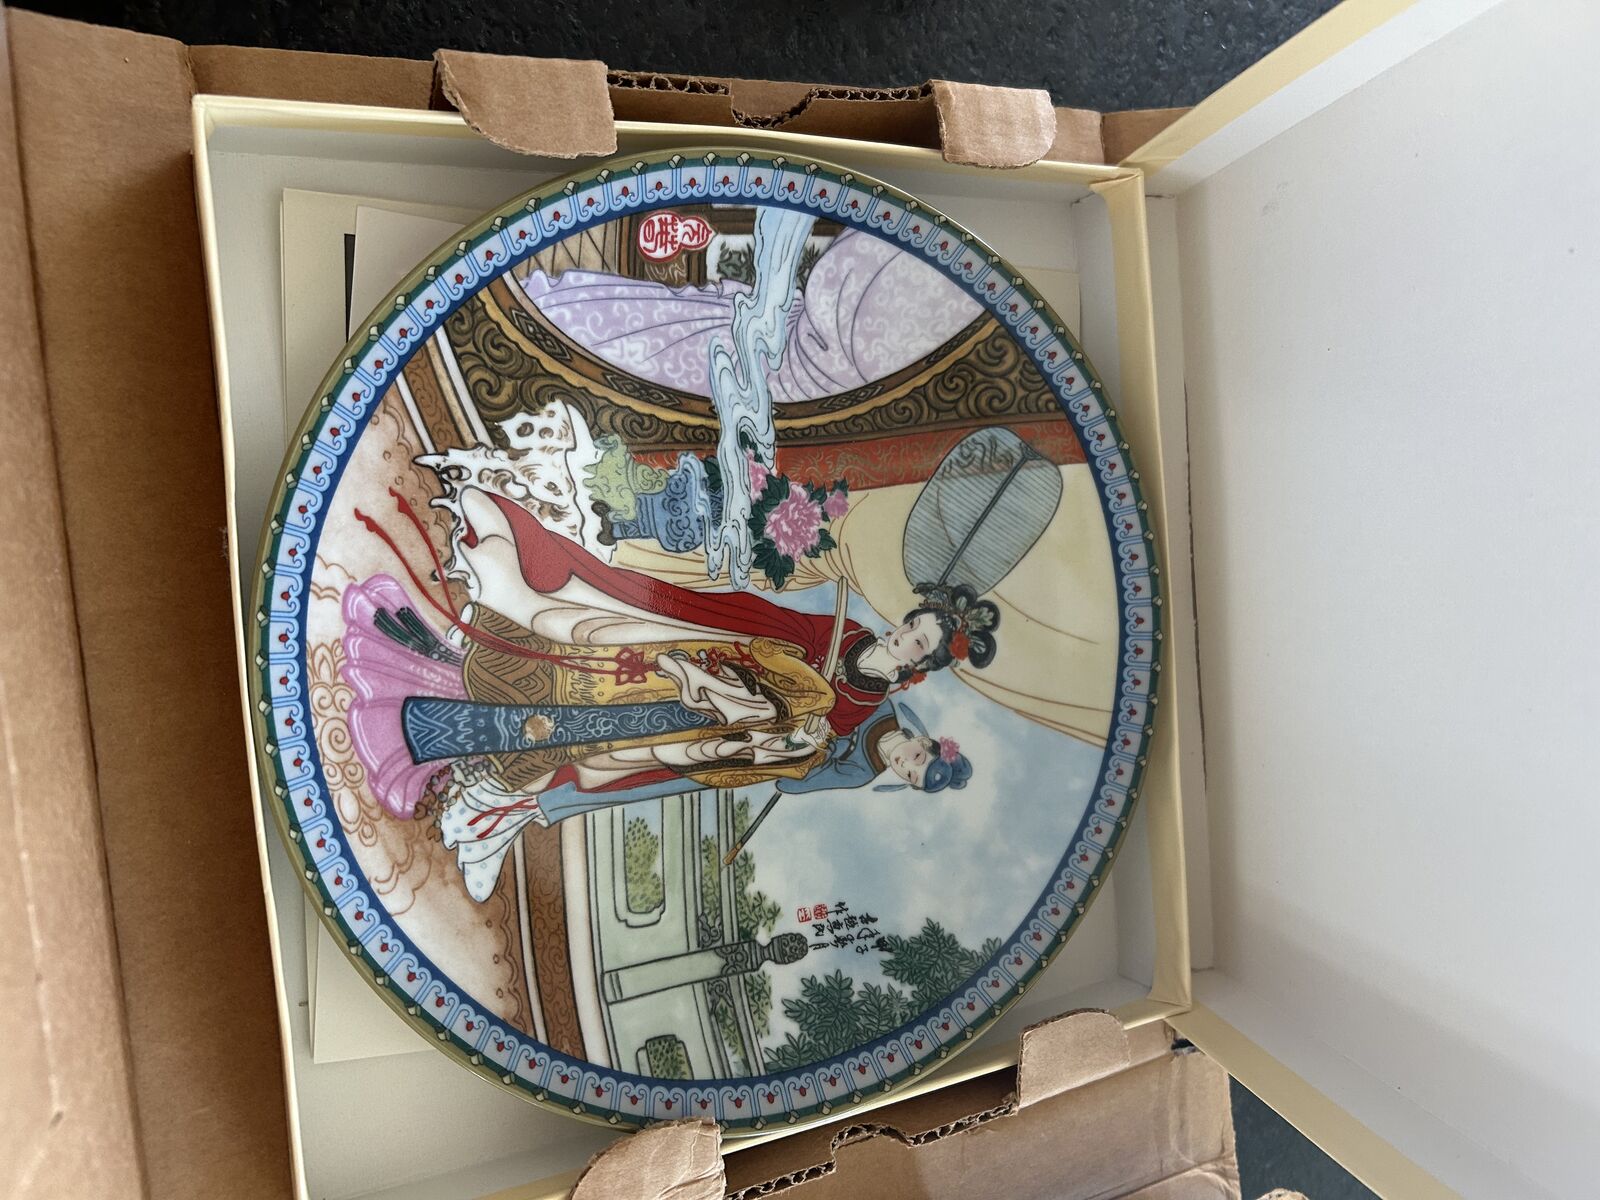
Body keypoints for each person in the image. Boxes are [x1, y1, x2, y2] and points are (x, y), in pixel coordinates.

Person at [341, 487, 995, 898]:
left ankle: (455, 761)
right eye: (914, 626)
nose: (907, 637)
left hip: (704, 723)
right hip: (706, 657)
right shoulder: (853, 632)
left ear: (922, 665)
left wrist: (795, 731)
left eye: (918, 644)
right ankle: (438, 666)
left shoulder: (863, 716)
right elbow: (775, 630)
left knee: (596, 747)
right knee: (578, 652)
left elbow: (796, 762)